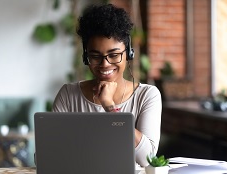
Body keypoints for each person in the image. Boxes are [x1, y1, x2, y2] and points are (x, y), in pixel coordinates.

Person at [52, 3, 162, 167]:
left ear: (128, 54)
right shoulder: (69, 94)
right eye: (95, 56)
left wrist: (109, 107)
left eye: (114, 55)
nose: (105, 64)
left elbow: (149, 159)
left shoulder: (147, 95)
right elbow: (47, 154)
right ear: (85, 57)